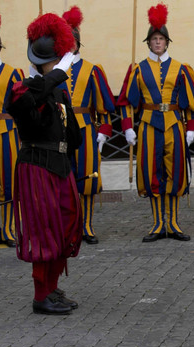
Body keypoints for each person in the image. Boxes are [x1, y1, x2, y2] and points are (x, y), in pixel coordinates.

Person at [8, 13, 82, 315]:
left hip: (59, 164)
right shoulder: (24, 88)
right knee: (43, 231)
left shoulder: (56, 90)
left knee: (64, 226)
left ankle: (51, 287)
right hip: (37, 166)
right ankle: (41, 295)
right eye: (57, 62)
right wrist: (60, 72)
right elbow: (24, 103)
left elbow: (72, 133)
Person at [118, 3, 194, 242]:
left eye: (161, 39)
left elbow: (192, 103)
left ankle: (174, 223)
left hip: (174, 125)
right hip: (147, 125)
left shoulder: (181, 69)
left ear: (167, 42)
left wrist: (192, 130)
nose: (157, 42)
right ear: (149, 42)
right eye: (154, 39)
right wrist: (127, 128)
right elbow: (126, 101)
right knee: (152, 172)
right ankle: (158, 223)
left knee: (175, 172)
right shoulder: (137, 69)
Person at [62, 6, 116, 245]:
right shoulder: (53, 70)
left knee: (87, 179)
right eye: (66, 40)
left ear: (78, 43)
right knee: (64, 180)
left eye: (73, 40)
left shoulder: (92, 70)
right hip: (60, 131)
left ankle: (86, 226)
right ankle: (68, 227)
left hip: (85, 129)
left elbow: (103, 104)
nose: (71, 43)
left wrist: (103, 132)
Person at [0, 13, 24, 248]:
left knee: (9, 181)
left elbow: (22, 105)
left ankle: (8, 228)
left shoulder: (13, 73)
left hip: (6, 130)